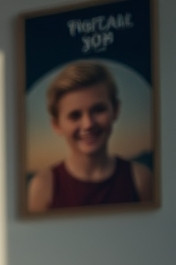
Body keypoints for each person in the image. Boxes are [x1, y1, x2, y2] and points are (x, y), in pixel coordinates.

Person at [26, 61, 154, 212]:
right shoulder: (43, 187)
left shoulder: (140, 179)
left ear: (116, 109)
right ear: (56, 125)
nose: (88, 124)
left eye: (98, 109)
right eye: (75, 115)